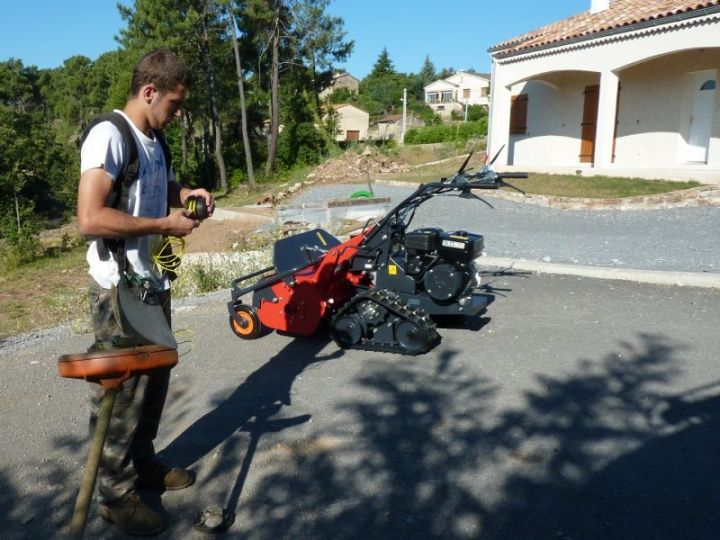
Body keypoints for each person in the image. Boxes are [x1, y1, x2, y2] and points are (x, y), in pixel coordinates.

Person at [76, 48, 214, 536]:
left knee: (153, 385)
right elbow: (89, 218)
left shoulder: (153, 139)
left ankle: (143, 465)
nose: (176, 114)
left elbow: (157, 185)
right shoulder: (108, 136)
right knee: (121, 395)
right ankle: (115, 496)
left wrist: (185, 195)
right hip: (117, 290)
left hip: (150, 281)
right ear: (149, 91)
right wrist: (163, 224)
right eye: (174, 104)